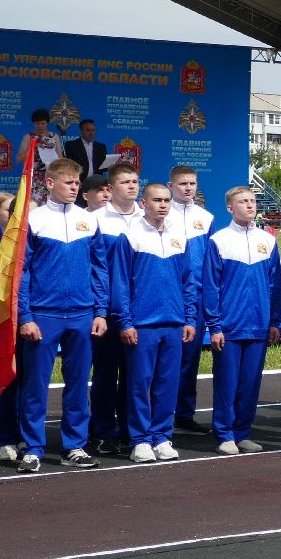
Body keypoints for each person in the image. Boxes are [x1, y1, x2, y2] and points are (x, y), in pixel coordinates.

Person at [4, 158, 107, 471]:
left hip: (82, 313)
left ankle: (74, 446)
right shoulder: (33, 220)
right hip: (43, 315)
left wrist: (100, 311)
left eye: (77, 183)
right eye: (68, 183)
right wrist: (26, 316)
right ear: (49, 183)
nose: (74, 188)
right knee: (35, 384)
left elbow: (99, 269)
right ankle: (33, 447)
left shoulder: (88, 220)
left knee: (78, 383)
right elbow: (22, 272)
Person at [109, 182, 199, 463]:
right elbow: (120, 283)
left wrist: (189, 318)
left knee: (167, 384)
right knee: (138, 384)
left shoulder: (180, 236)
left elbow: (188, 281)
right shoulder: (130, 235)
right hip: (142, 324)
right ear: (144, 203)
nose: (162, 205)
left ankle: (162, 436)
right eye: (157, 200)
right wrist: (125, 321)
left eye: (166, 201)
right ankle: (139, 440)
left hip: (173, 323)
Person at [204, 187, 281, 454]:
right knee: (227, 383)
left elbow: (275, 285)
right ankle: (224, 434)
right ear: (230, 208)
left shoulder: (268, 240)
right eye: (243, 202)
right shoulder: (218, 240)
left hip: (259, 325)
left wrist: (274, 320)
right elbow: (211, 287)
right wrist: (214, 325)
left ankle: (243, 432)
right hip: (229, 326)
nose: (250, 205)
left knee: (250, 384)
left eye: (252, 201)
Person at [87, 164, 142, 455]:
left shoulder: (149, 220)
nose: (131, 186)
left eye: (135, 181)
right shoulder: (95, 220)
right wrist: (100, 309)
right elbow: (93, 269)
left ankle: (132, 431)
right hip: (107, 310)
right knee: (106, 374)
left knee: (136, 375)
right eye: (124, 182)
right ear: (110, 188)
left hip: (141, 312)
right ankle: (104, 430)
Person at [166, 165, 214, 433]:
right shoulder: (159, 213)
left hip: (195, 297)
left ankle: (184, 413)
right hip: (166, 296)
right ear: (171, 186)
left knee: (190, 358)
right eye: (183, 184)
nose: (188, 188)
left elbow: (210, 263)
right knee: (163, 358)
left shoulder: (206, 218)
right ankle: (158, 413)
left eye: (192, 183)